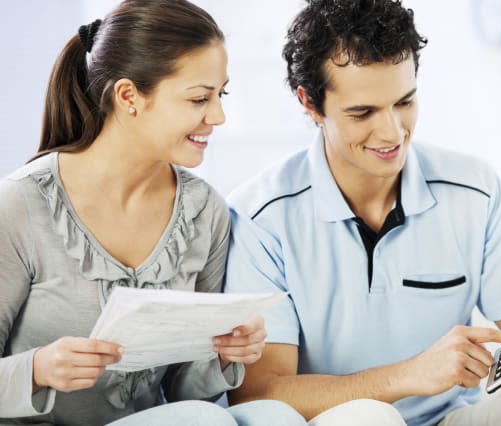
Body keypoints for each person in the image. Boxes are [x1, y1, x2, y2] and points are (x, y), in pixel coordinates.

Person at [223, 0, 501, 425]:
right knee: (370, 417)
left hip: (455, 419)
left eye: (404, 102)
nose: (391, 133)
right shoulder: (260, 217)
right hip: (341, 421)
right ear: (310, 103)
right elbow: (259, 394)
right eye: (362, 113)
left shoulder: (474, 191)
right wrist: (410, 375)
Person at [0, 1, 307, 425]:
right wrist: (37, 370)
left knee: (274, 415)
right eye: (199, 97)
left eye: (221, 94)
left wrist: (221, 352)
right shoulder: (20, 205)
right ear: (129, 96)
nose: (217, 116)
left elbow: (182, 386)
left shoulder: (205, 211)